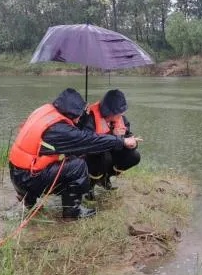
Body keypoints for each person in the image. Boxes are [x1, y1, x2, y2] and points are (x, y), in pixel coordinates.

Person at [8, 88, 132, 219]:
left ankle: (28, 199)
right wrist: (121, 141)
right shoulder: (60, 130)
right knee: (77, 166)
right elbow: (89, 141)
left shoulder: (45, 111)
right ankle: (72, 213)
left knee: (65, 161)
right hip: (27, 178)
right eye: (79, 115)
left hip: (16, 171)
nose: (80, 118)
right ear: (71, 113)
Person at [80, 89, 141, 199]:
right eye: (118, 113)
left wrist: (132, 143)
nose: (121, 115)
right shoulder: (90, 117)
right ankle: (90, 185)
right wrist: (113, 136)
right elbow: (89, 143)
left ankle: (105, 178)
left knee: (134, 156)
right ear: (109, 112)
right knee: (104, 157)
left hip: (110, 152)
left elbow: (128, 136)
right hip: (91, 155)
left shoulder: (121, 119)